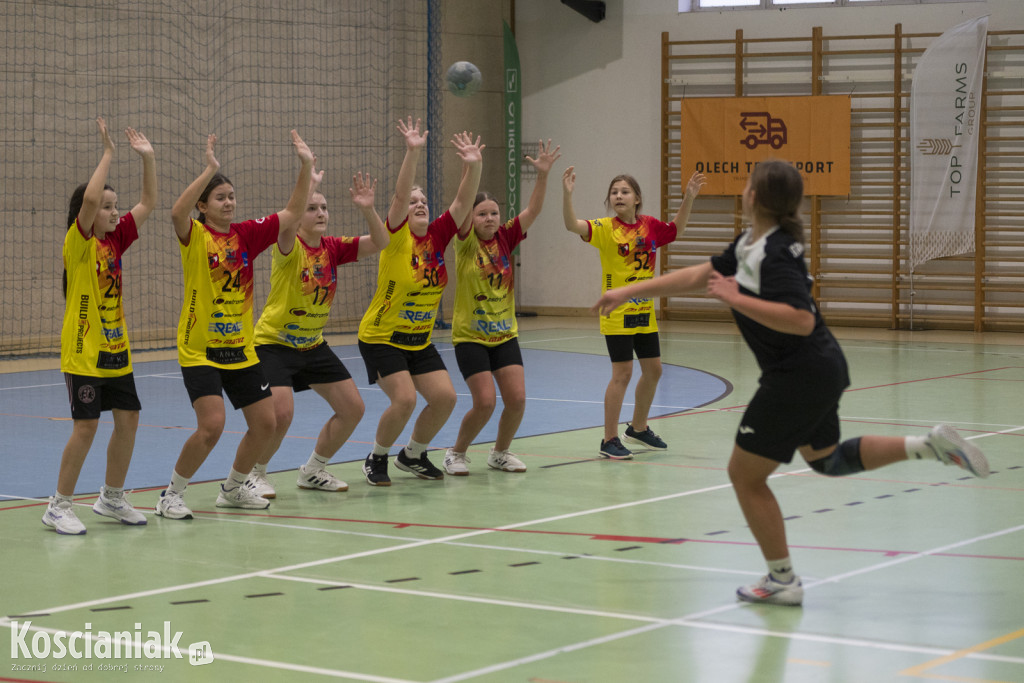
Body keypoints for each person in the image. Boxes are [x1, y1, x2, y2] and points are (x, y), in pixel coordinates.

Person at [593, 159, 990, 606]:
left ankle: (782, 581)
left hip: (797, 375)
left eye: (747, 185)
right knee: (827, 460)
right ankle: (929, 446)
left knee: (743, 476)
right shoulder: (752, 242)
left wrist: (737, 297)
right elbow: (701, 274)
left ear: (756, 197)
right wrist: (629, 291)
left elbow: (800, 319)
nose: (743, 190)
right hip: (819, 369)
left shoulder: (775, 251)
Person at [155, 130, 315, 519]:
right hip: (200, 350)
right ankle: (171, 494)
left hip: (240, 349)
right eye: (220, 198)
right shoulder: (195, 236)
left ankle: (233, 487)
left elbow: (291, 214)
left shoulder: (245, 234)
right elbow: (176, 213)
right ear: (203, 206)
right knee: (212, 425)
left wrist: (307, 166)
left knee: (266, 423)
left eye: (231, 196)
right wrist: (209, 167)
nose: (229, 203)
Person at [43, 117, 157, 535]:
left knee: (128, 419)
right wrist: (109, 153)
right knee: (86, 427)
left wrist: (148, 158)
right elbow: (89, 202)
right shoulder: (78, 243)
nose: (113, 212)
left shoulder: (117, 239)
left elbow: (148, 202)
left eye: (115, 206)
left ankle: (111, 497)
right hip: (84, 352)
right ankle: (58, 505)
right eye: (107, 207)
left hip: (117, 351)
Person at [246, 168, 388, 498]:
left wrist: (367, 209)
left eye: (324, 207)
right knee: (280, 414)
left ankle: (313, 470)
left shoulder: (333, 248)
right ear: (299, 216)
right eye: (312, 208)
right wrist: (308, 186)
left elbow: (381, 242)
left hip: (312, 345)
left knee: (353, 408)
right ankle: (255, 472)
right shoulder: (288, 246)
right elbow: (288, 218)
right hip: (274, 343)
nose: (321, 213)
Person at [357, 117, 483, 486]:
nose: (420, 205)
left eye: (424, 200)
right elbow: (397, 198)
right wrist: (412, 151)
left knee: (444, 398)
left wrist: (473, 165)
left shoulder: (439, 235)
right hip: (382, 337)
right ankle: (376, 458)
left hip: (418, 339)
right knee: (405, 400)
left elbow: (463, 201)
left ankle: (412, 454)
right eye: (414, 202)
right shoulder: (395, 236)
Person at [563, 166, 706, 460]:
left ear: (637, 198)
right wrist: (567, 195)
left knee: (654, 371)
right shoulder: (604, 229)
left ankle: (638, 428)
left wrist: (688, 197)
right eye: (614, 193)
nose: (618, 196)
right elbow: (571, 225)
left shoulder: (650, 226)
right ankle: (609, 439)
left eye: (624, 191)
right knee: (623, 374)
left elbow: (677, 229)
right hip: (617, 314)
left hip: (644, 312)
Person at [442, 139, 561, 476]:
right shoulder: (465, 244)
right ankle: (456, 452)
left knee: (517, 399)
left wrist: (542, 176)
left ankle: (500, 452)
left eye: (494, 212)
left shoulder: (506, 238)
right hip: (471, 337)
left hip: (504, 335)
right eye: (482, 214)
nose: (490, 218)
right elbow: (461, 204)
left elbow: (533, 211)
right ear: (471, 218)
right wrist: (471, 166)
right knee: (485, 402)